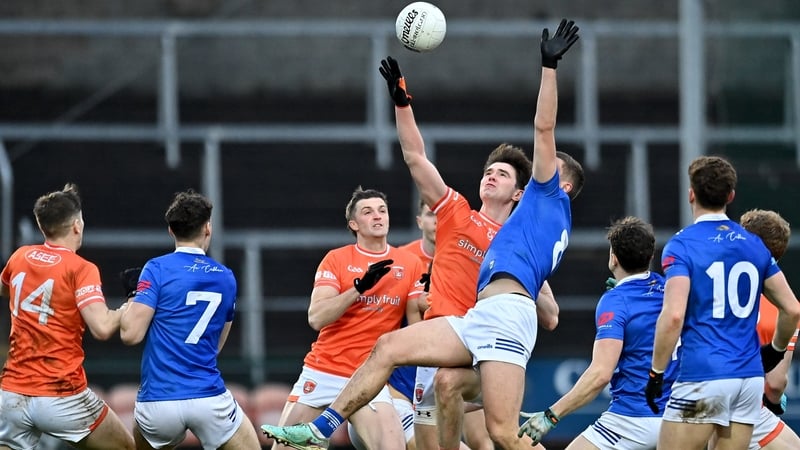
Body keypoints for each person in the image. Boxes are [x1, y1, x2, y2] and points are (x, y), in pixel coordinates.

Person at [261, 17, 583, 450]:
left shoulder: (529, 224)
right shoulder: (465, 216)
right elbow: (416, 158)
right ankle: (319, 430)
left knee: (498, 435)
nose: (490, 176)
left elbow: (549, 312)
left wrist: (549, 68)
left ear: (528, 189)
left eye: (502, 173)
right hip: (459, 330)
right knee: (396, 354)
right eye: (488, 170)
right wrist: (402, 103)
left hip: (499, 326)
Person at [647, 156, 800, 450]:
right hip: (747, 381)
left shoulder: (682, 244)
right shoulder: (754, 244)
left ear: (691, 193)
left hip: (703, 376)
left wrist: (656, 371)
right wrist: (776, 351)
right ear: (730, 196)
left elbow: (674, 316)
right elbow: (792, 308)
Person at [269, 186, 426, 450]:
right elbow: (317, 318)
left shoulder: (409, 264)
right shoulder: (337, 259)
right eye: (368, 212)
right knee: (286, 446)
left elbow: (415, 324)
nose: (377, 216)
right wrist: (358, 289)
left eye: (382, 210)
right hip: (324, 369)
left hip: (370, 375)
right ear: (354, 223)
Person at [517, 216, 677, 449]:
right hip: (677, 416)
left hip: (633, 418)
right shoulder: (672, 288)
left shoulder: (615, 301)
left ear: (613, 258)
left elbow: (601, 374)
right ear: (651, 256)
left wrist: (551, 416)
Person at [119, 189, 261, 450]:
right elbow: (217, 344)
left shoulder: (156, 268)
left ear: (171, 231)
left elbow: (131, 334)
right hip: (208, 397)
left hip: (158, 401)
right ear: (208, 229)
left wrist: (132, 298)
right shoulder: (225, 276)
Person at [0, 183, 135, 450]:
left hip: (12, 394)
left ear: (42, 227)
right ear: (76, 225)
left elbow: (5, 288)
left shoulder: (20, 257)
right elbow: (102, 327)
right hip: (62, 394)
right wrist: (129, 306)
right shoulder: (80, 268)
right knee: (125, 448)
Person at [717, 209, 800, 450]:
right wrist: (775, 402)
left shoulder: (714, 284)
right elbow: (775, 384)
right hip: (743, 405)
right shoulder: (785, 309)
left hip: (694, 389)